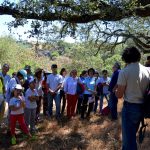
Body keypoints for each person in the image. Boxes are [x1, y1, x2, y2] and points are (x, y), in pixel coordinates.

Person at [116, 47, 150, 150]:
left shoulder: (124, 72)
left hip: (130, 107)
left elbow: (119, 95)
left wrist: (116, 91)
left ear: (125, 58)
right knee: (132, 135)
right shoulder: (147, 70)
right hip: (143, 108)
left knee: (128, 141)